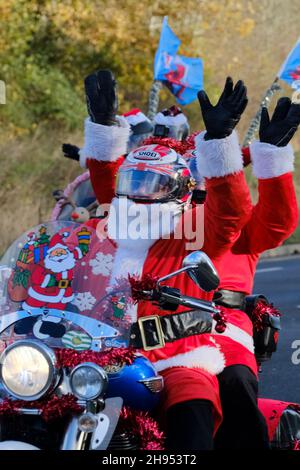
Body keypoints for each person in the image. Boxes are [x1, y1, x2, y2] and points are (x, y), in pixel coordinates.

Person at [80, 69, 251, 450]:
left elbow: (231, 213)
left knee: (193, 409)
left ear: (177, 190)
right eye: (133, 182)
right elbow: (107, 182)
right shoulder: (109, 230)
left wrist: (220, 142)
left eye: (151, 184)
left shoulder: (193, 231)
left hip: (179, 358)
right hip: (103, 357)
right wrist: (104, 127)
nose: (139, 193)